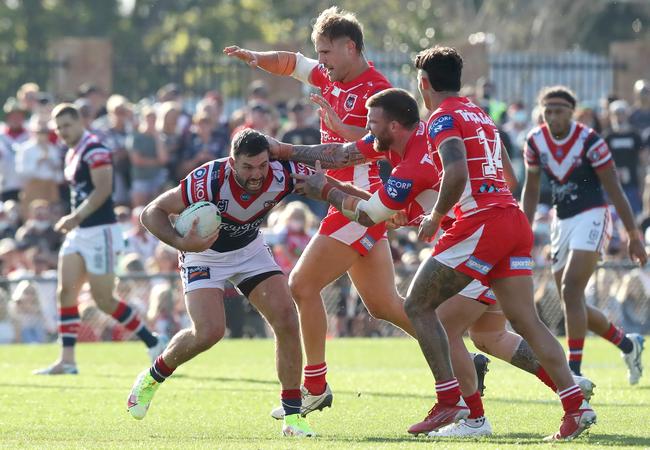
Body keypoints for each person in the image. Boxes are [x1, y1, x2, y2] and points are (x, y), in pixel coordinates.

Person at [273, 87, 594, 438]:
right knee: (492, 335)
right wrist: (308, 165)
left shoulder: (421, 151)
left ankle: (465, 410)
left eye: (372, 124)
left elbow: (371, 213)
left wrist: (326, 189)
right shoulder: (441, 128)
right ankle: (573, 395)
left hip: (477, 233)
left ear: (395, 124)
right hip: (503, 223)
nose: (366, 131)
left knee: (431, 317)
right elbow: (355, 167)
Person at [398, 46, 596, 441]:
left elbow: (454, 172)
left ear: (423, 84)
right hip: (511, 218)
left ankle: (452, 402)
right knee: (526, 322)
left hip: (481, 223)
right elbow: (510, 176)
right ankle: (576, 407)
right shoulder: (482, 116)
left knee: (418, 306)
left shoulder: (441, 117)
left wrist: (437, 216)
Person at [224, 7, 412, 419]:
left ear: (351, 47)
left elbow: (374, 146)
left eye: (327, 51)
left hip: (359, 203)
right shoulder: (329, 74)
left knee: (302, 285)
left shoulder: (377, 90)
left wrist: (341, 128)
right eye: (319, 52)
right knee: (385, 306)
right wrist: (257, 58)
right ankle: (461, 358)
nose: (321, 60)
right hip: (344, 200)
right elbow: (292, 63)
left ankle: (315, 385)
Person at [126, 128, 316, 437]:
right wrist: (181, 242)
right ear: (231, 162)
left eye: (262, 166)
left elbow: (326, 178)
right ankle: (152, 376)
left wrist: (365, 203)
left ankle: (293, 418)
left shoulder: (282, 173)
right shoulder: (207, 180)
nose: (256, 174)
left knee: (286, 319)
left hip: (249, 249)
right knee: (209, 332)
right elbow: (151, 213)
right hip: (204, 254)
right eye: (247, 167)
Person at [521, 86, 647, 384]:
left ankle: (574, 371)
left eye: (559, 111)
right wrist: (522, 231)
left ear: (572, 112)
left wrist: (633, 233)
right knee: (571, 300)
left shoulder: (591, 141)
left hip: (592, 216)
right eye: (547, 112)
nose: (552, 117)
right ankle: (629, 345)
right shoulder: (535, 141)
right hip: (560, 221)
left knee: (570, 291)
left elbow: (614, 188)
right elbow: (531, 189)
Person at [34, 103, 165, 375]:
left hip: (101, 231)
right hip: (79, 232)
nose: (63, 131)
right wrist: (76, 221)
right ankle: (67, 360)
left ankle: (153, 341)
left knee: (103, 299)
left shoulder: (95, 148)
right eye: (59, 128)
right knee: (65, 291)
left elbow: (104, 189)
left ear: (80, 122)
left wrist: (75, 217)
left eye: (67, 125)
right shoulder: (72, 151)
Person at [604, 100, 645, 215]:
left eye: (621, 113)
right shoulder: (608, 136)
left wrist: (642, 185)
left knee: (635, 215)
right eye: (615, 114)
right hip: (614, 185)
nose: (619, 117)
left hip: (633, 184)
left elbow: (642, 161)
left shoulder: (635, 135)